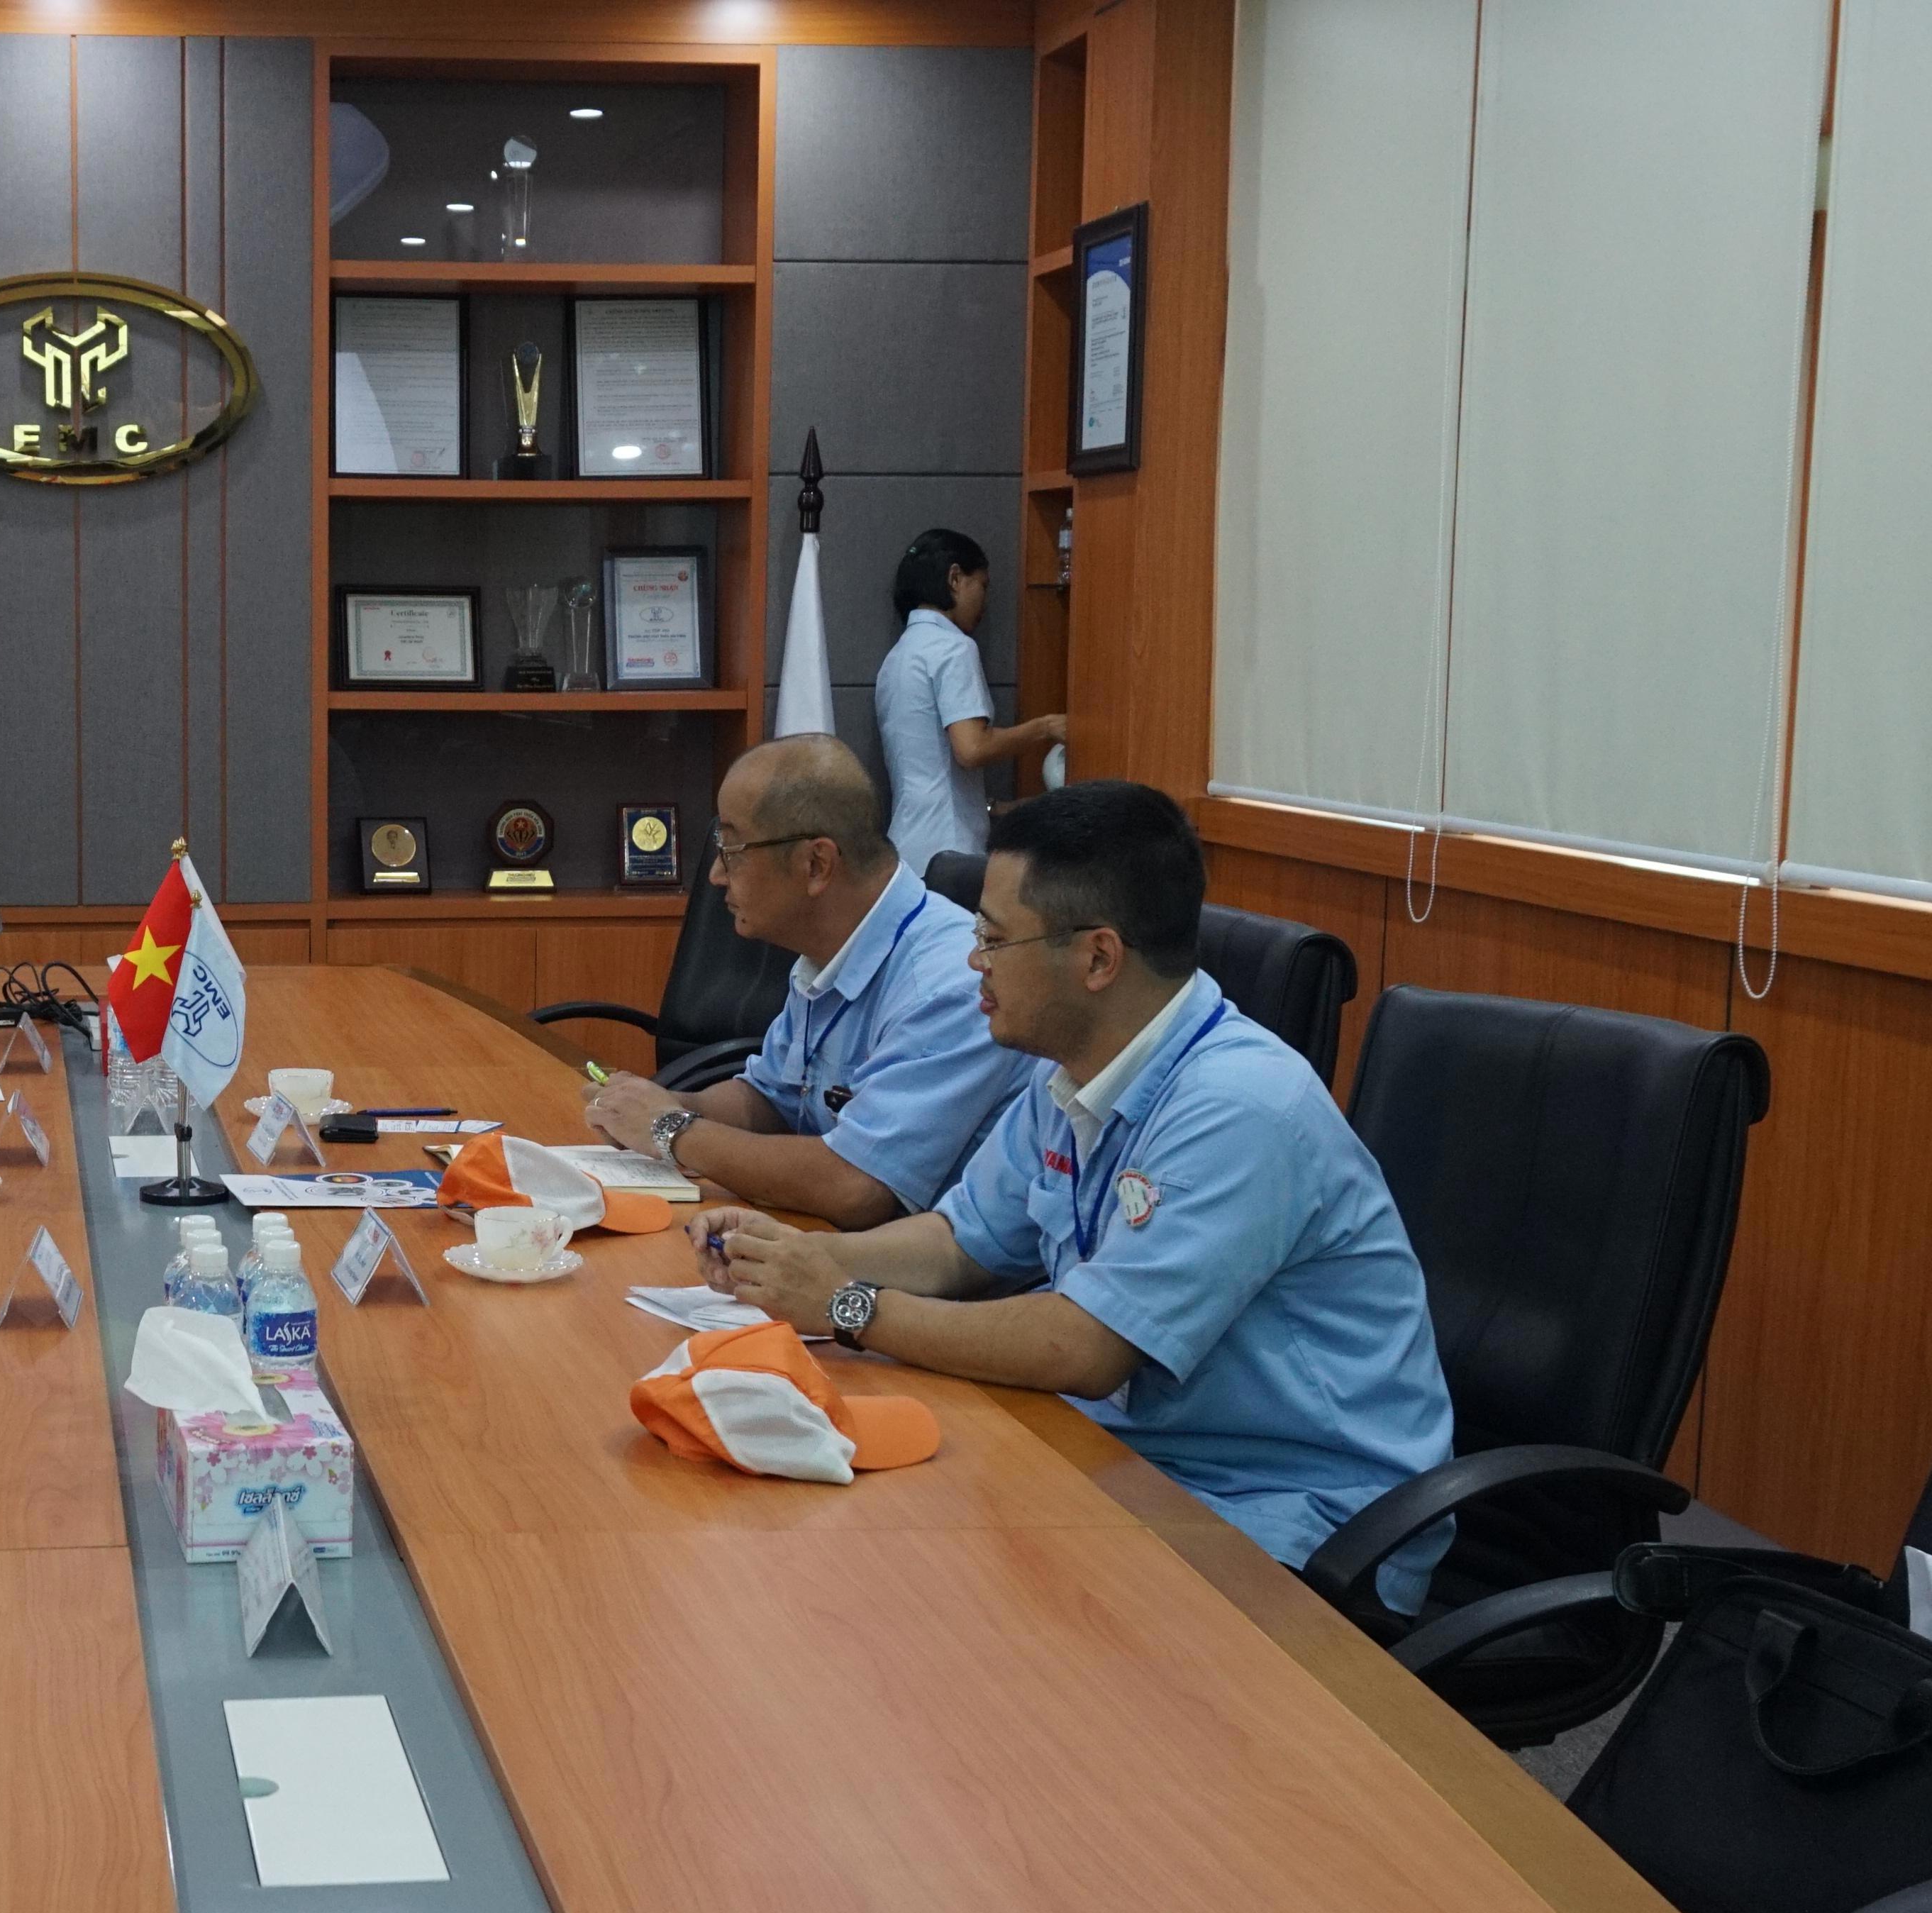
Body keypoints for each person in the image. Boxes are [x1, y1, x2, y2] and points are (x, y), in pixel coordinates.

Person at [694, 781, 1454, 1610]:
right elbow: (958, 1244)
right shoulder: (1072, 1070)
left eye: (993, 938)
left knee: (920, 1601)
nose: (973, 962)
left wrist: (845, 1305)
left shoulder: (1240, 1107)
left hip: (1287, 1522)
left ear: (1096, 958)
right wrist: (792, 1259)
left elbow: (1082, 1349)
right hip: (1127, 1464)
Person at [582, 736, 1040, 1229]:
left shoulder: (949, 985)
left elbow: (856, 1188)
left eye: (732, 850)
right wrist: (658, 1105)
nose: (716, 875)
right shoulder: (830, 953)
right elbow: (772, 1100)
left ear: (816, 864)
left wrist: (670, 1129)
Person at [875, 527, 1066, 869]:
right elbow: (972, 748)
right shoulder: (954, 648)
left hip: (906, 846)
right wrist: (1047, 727)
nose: (985, 602)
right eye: (983, 585)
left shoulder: (899, 655)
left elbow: (932, 766)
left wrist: (991, 808)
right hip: (950, 849)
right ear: (955, 579)